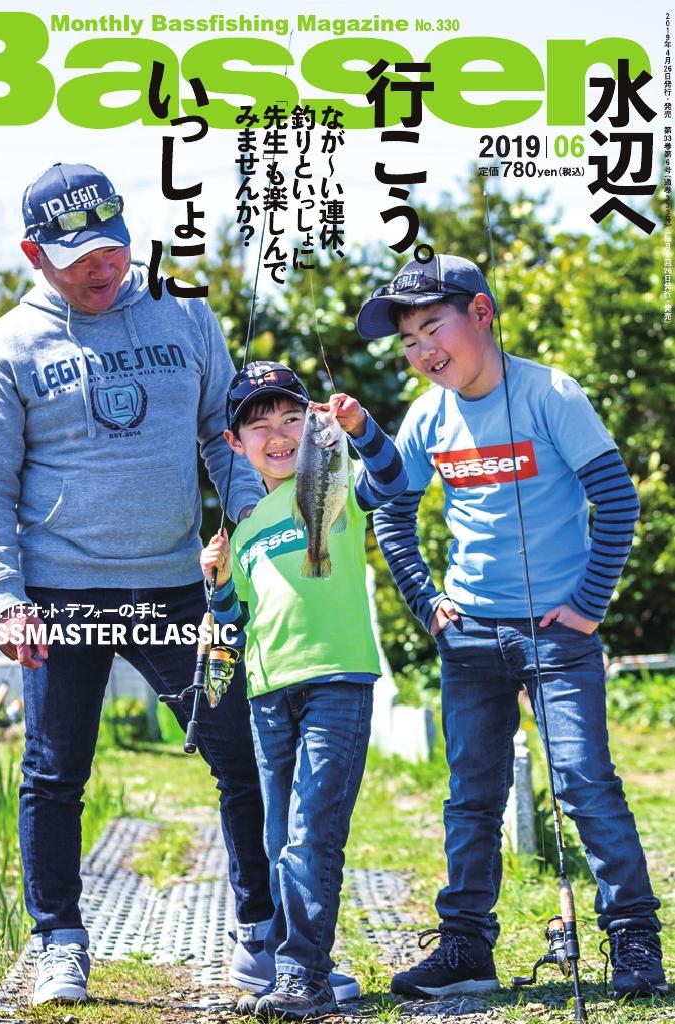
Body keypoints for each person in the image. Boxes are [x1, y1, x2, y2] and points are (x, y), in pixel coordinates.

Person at [0, 162, 277, 1005]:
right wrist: (5, 597)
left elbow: (223, 436)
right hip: (59, 594)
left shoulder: (185, 312)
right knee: (55, 772)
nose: (101, 269)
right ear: (34, 254)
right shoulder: (8, 348)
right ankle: (59, 942)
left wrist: (248, 524)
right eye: (78, 259)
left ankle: (262, 934)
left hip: (178, 590)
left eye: (112, 249)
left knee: (237, 752)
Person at [357, 253, 668, 1002]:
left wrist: (588, 604)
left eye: (433, 328)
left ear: (482, 314)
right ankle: (465, 947)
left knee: (584, 782)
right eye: (408, 341)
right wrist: (425, 601)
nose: (423, 351)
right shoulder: (426, 416)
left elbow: (616, 499)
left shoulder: (549, 393)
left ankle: (634, 939)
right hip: (467, 635)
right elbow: (391, 507)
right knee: (470, 797)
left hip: (557, 635)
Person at [199, 361, 408, 1020]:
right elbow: (233, 623)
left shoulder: (336, 479)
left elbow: (393, 479)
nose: (278, 434)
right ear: (235, 444)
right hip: (268, 692)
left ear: (313, 425)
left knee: (312, 832)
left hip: (337, 680)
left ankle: (302, 975)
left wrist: (360, 428)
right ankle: (296, 965)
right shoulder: (245, 526)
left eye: (292, 417)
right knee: (278, 839)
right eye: (259, 425)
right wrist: (216, 583)